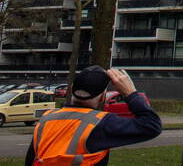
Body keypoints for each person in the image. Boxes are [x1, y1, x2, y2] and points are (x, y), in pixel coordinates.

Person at [25, 66, 161, 165]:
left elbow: (30, 160)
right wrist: (130, 93)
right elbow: (151, 125)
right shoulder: (100, 124)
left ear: (71, 89)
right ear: (103, 96)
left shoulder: (46, 119)